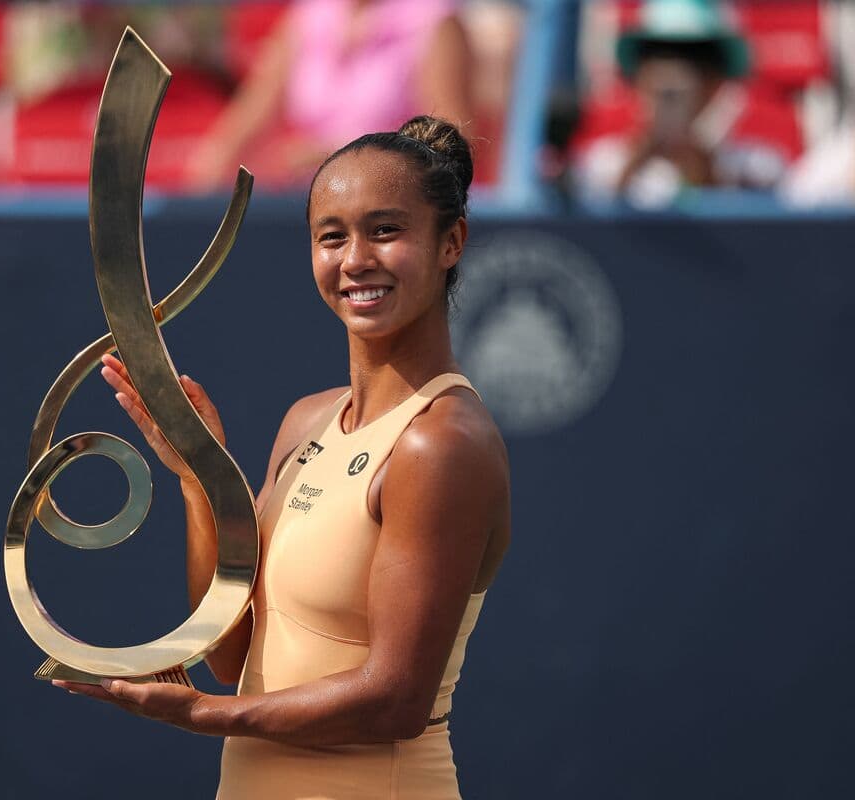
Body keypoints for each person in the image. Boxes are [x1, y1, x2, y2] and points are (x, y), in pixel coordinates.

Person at [56, 114, 509, 798]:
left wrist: (206, 718)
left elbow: (395, 700)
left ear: (452, 242)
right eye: (332, 237)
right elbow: (234, 655)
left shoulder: (439, 442)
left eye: (385, 231)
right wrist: (201, 478)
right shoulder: (307, 420)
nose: (355, 258)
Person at [186, 0, 473, 191]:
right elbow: (253, 112)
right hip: (309, 201)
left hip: (395, 204)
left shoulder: (434, 20)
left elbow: (450, 143)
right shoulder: (307, 16)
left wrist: (340, 156)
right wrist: (209, 171)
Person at [575, 0, 785, 207]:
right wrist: (635, 162)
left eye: (694, 61)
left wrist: (704, 170)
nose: (669, 82)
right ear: (638, 81)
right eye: (656, 58)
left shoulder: (758, 166)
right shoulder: (597, 164)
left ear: (715, 84)